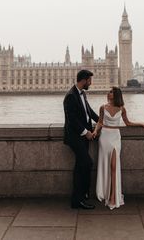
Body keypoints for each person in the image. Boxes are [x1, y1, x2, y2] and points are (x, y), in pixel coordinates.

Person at [93, 86, 144, 210]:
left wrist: (141, 124)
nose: (108, 93)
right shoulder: (103, 107)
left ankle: (114, 196)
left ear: (116, 95)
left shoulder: (122, 109)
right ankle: (107, 194)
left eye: (111, 92)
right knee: (106, 166)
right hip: (104, 137)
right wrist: (95, 131)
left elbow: (128, 123)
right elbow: (100, 122)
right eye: (109, 92)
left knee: (114, 167)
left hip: (115, 137)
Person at [63, 69, 99, 209]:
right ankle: (80, 197)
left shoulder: (82, 94)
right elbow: (72, 120)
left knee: (80, 166)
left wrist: (103, 120)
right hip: (75, 137)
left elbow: (89, 112)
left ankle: (79, 198)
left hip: (82, 137)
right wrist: (86, 132)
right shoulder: (71, 96)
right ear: (84, 80)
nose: (91, 83)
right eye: (89, 80)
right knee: (87, 163)